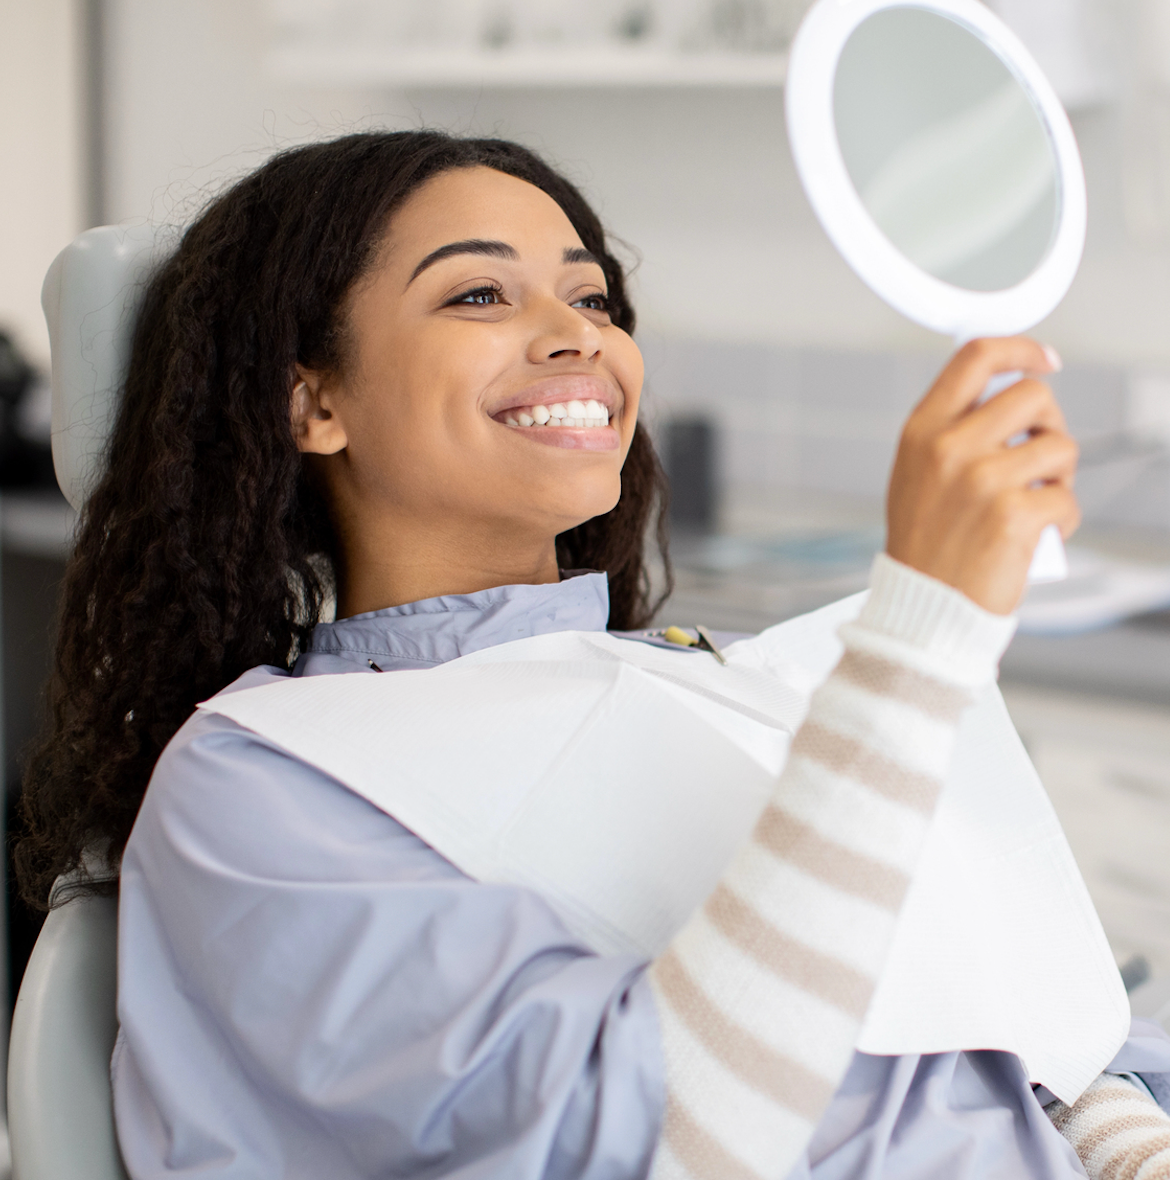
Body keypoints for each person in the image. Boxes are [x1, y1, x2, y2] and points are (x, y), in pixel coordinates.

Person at [17, 131, 1170, 1180]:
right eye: (479, 293)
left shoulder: (705, 679)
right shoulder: (262, 785)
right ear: (311, 400)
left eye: (593, 296)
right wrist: (920, 641)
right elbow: (659, 1144)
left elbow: (1009, 1025)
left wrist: (1123, 1140)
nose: (580, 333)